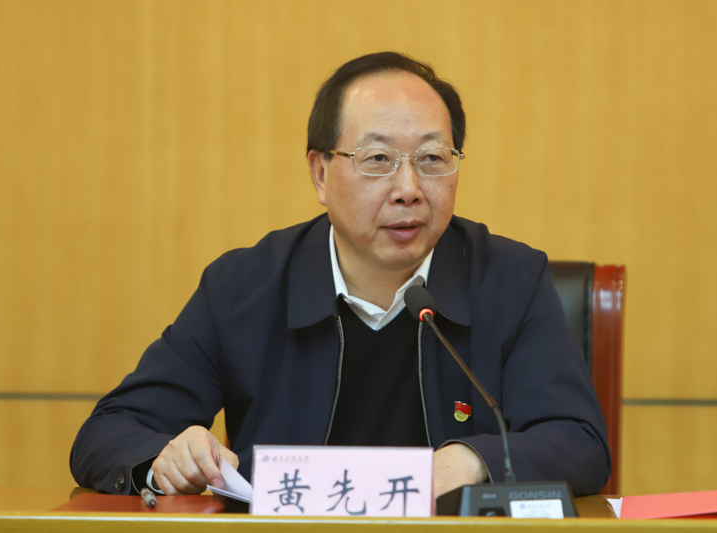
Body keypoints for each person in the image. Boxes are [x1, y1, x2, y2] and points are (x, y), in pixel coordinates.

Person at [70, 52, 611, 499]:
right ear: (320, 173)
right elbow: (109, 431)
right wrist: (166, 459)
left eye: (431, 158)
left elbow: (579, 442)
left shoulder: (511, 281)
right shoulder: (243, 287)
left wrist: (471, 461)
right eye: (377, 159)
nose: (408, 189)